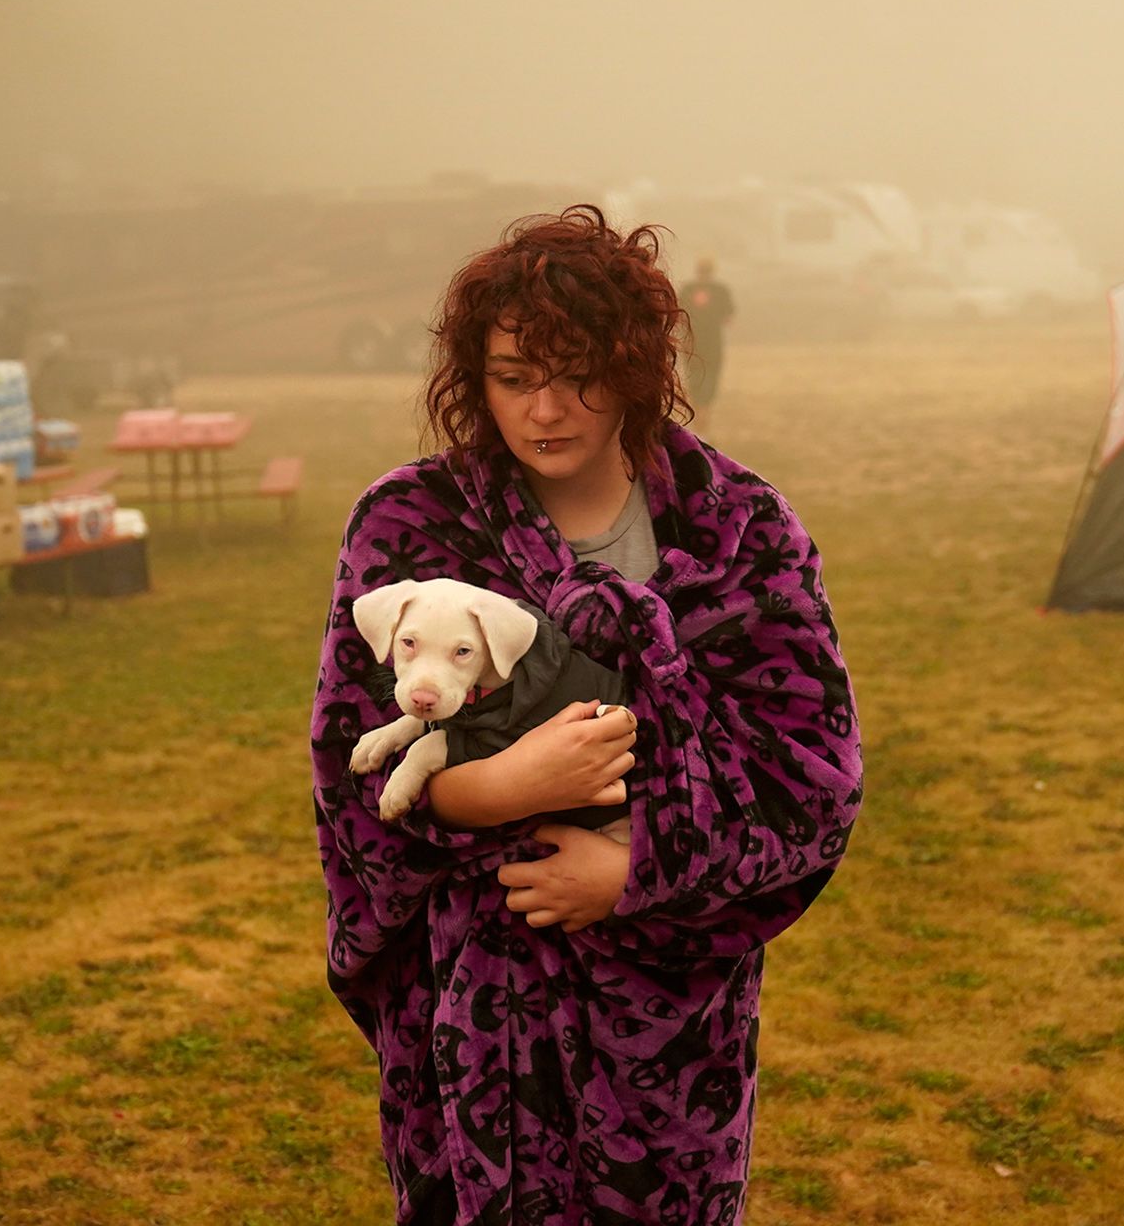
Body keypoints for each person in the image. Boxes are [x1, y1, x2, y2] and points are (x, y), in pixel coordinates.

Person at [311, 204, 862, 1225]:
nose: (547, 410)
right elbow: (347, 768)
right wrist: (492, 790)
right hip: (472, 1022)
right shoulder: (408, 524)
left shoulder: (738, 529)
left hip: (668, 1030)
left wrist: (632, 867)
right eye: (515, 379)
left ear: (637, 369)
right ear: (473, 381)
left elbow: (810, 779)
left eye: (580, 376)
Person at [677, 257, 736, 417]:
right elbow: (728, 318)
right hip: (712, 346)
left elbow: (680, 317)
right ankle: (703, 421)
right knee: (709, 387)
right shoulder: (720, 291)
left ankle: (697, 420)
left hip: (692, 345)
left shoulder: (688, 289)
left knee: (695, 384)